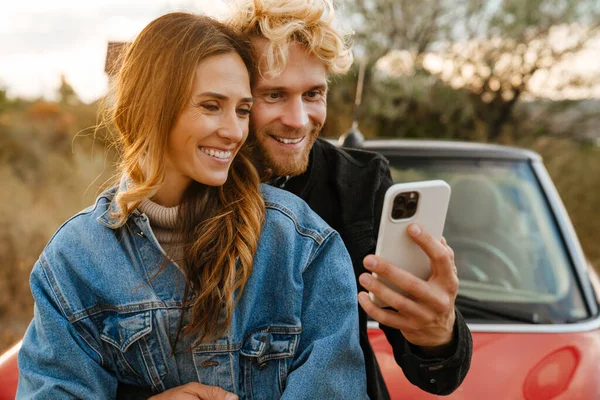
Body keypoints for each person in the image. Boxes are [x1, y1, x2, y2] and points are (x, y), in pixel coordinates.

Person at [16, 12, 366, 399]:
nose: (234, 131)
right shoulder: (76, 259)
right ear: (151, 107)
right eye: (211, 105)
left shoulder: (301, 243)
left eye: (243, 109)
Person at [226, 0, 473, 398]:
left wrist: (438, 333)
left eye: (313, 93)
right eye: (274, 95)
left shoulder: (360, 182)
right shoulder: (201, 181)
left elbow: (435, 373)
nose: (298, 119)